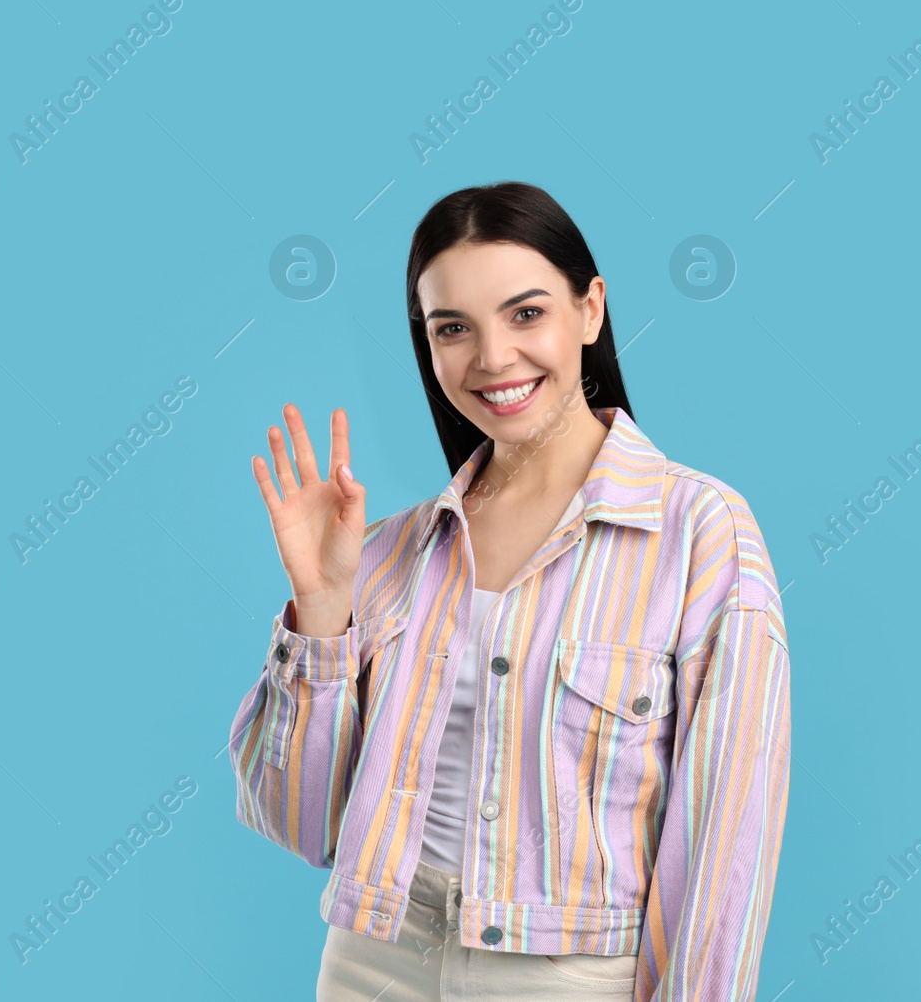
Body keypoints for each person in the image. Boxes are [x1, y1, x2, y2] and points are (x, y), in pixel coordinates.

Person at [230, 181, 791, 1000]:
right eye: (452, 328)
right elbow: (303, 825)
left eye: (526, 313)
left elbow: (724, 845)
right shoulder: (393, 551)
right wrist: (322, 609)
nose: (492, 357)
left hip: (568, 977)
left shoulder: (700, 533)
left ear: (590, 309)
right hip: (370, 964)